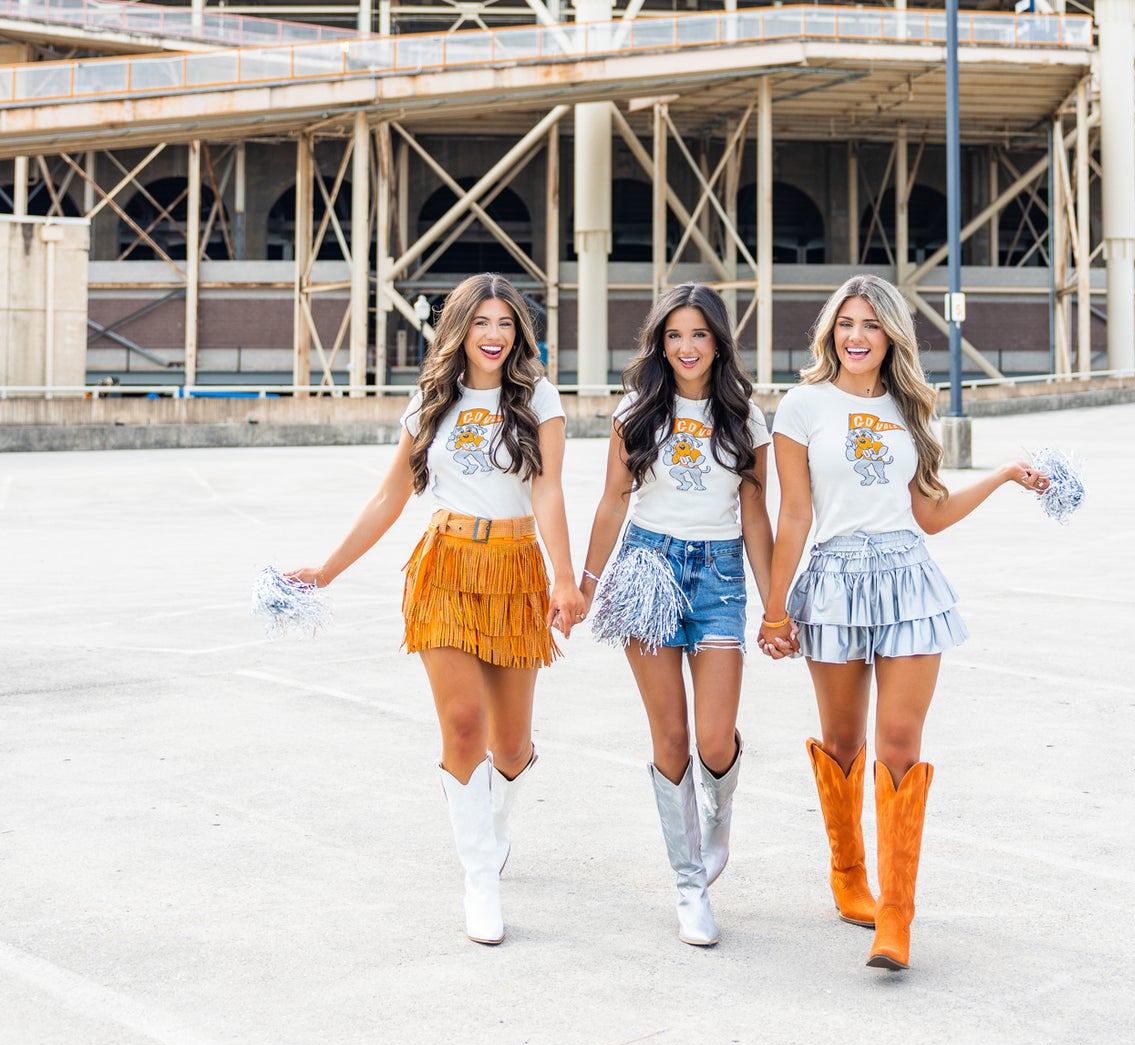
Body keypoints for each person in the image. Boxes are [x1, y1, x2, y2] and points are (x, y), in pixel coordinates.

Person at [758, 275, 1048, 972]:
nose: (856, 335)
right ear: (830, 330)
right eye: (846, 322)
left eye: (871, 324)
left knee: (898, 740)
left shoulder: (911, 407)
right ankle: (849, 875)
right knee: (842, 737)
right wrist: (774, 606)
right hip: (832, 581)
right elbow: (795, 513)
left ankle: (896, 914)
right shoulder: (801, 405)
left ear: (892, 335)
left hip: (908, 580)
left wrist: (1005, 473)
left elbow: (931, 513)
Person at [288, 273, 583, 948]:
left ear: (519, 331)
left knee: (510, 744)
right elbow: (389, 498)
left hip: (515, 573)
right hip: (446, 565)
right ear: (459, 328)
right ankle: (480, 875)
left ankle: (495, 824)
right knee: (462, 723)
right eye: (481, 321)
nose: (494, 334)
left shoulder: (537, 396)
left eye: (505, 322)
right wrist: (325, 569)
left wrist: (565, 578)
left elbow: (550, 491)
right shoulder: (431, 401)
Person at [580, 284, 774, 948]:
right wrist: (583, 582)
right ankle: (689, 884)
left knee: (714, 740)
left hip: (719, 575)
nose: (686, 347)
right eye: (674, 335)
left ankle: (717, 819)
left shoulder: (746, 418)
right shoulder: (636, 409)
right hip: (647, 568)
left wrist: (775, 606)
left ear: (718, 340)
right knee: (670, 736)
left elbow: (756, 516)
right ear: (659, 342)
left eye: (698, 334)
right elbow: (612, 501)